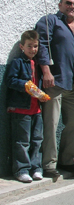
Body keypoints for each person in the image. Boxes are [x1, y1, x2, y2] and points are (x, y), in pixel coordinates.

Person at [35, 0, 74, 177]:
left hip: (73, 85)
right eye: (68, 3)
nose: (72, 7)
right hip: (54, 82)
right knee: (51, 124)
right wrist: (46, 71)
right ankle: (49, 165)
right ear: (60, 5)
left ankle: (66, 160)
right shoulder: (50, 21)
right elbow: (42, 45)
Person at [6, 30, 44, 183]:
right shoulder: (17, 62)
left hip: (37, 108)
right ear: (22, 47)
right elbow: (10, 80)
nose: (33, 50)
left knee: (37, 140)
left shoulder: (38, 64)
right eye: (29, 46)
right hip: (22, 108)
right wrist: (25, 85)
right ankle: (21, 169)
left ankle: (36, 168)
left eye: (35, 46)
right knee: (22, 141)